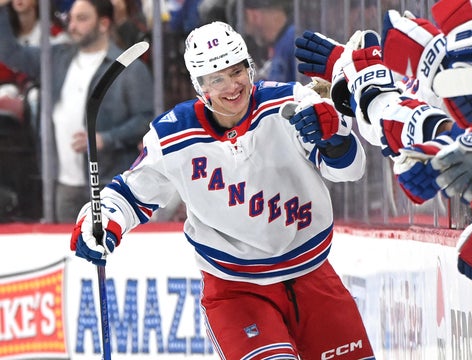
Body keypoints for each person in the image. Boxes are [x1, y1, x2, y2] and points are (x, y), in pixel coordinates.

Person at [69, 21, 375, 358]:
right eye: (216, 79)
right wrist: (102, 221)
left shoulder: (290, 104)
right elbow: (130, 194)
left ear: (250, 68)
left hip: (313, 275)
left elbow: (350, 170)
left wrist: (334, 141)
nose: (232, 87)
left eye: (236, 71)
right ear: (199, 86)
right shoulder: (173, 136)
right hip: (236, 291)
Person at [0, 0, 154, 223]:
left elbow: (146, 119)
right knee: (69, 252)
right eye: (70, 18)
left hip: (109, 182)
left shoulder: (129, 68)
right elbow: (10, 53)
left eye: (82, 19)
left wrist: (106, 139)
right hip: (63, 183)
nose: (72, 26)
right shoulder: (56, 57)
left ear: (103, 24)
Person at [243, 0, 300, 82]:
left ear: (254, 16)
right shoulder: (284, 42)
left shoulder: (295, 41)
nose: (248, 32)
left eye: (246, 23)